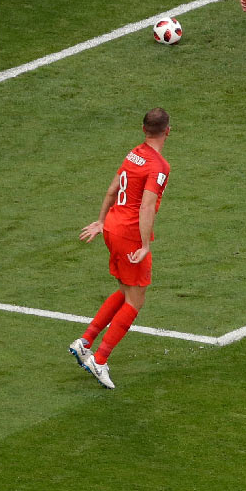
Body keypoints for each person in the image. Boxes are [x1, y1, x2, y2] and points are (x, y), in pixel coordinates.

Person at [68, 108, 173, 390]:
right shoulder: (159, 166)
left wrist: (101, 221)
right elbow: (147, 205)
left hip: (112, 228)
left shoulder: (133, 154)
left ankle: (85, 342)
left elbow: (113, 188)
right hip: (130, 235)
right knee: (136, 300)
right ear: (168, 131)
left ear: (143, 130)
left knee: (125, 291)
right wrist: (145, 244)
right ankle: (99, 359)